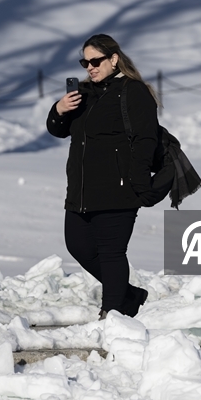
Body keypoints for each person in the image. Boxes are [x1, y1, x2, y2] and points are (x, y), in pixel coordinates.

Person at [46, 34, 159, 319]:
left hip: (118, 189)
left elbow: (146, 140)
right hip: (82, 191)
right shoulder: (84, 93)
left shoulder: (134, 92)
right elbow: (57, 130)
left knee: (111, 253)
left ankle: (111, 313)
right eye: (85, 62)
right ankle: (130, 295)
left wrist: (137, 181)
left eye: (96, 61)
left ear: (114, 59)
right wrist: (59, 110)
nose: (90, 67)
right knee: (78, 246)